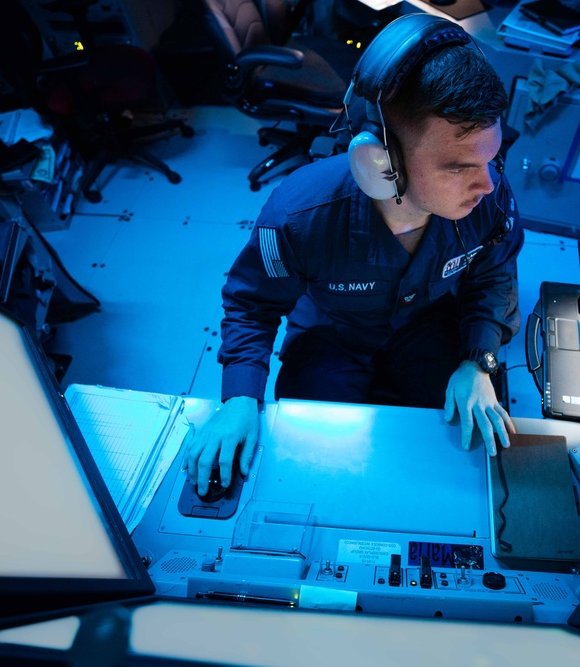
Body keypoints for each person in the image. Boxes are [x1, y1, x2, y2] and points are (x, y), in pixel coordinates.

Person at [185, 15, 524, 496]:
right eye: (460, 167)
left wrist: (478, 360)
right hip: (331, 335)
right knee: (313, 471)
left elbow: (494, 273)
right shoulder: (298, 217)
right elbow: (251, 305)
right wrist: (239, 399)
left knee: (447, 468)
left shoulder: (489, 198)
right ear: (379, 163)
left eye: (491, 160)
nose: (488, 184)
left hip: (430, 325)